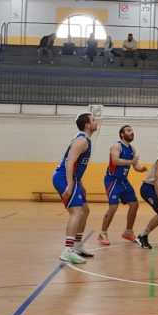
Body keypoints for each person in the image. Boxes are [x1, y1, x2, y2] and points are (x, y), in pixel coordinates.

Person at [50, 112, 100, 264]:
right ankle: (67, 250)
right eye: (93, 120)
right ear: (87, 125)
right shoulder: (81, 141)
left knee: (85, 210)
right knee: (76, 211)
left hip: (73, 179)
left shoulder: (86, 140)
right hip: (63, 177)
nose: (96, 122)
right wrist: (70, 185)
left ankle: (77, 246)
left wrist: (80, 184)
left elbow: (76, 166)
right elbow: (69, 163)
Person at [99, 125, 147, 245]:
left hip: (123, 181)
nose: (132, 132)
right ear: (122, 134)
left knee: (134, 204)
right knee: (113, 207)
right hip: (112, 180)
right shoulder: (117, 146)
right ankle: (103, 233)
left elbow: (135, 166)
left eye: (132, 130)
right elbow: (115, 161)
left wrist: (142, 169)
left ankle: (128, 232)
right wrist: (132, 162)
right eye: (128, 130)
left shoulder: (132, 149)